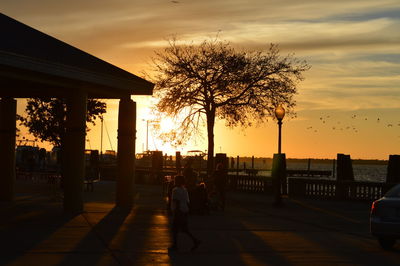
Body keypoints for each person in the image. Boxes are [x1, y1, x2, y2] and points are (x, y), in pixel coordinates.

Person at [169, 175, 201, 252]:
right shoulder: (185, 190)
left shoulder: (175, 190)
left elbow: (177, 202)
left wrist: (175, 213)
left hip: (178, 211)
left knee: (174, 229)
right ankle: (195, 240)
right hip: (185, 210)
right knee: (184, 229)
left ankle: (175, 245)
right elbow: (187, 202)